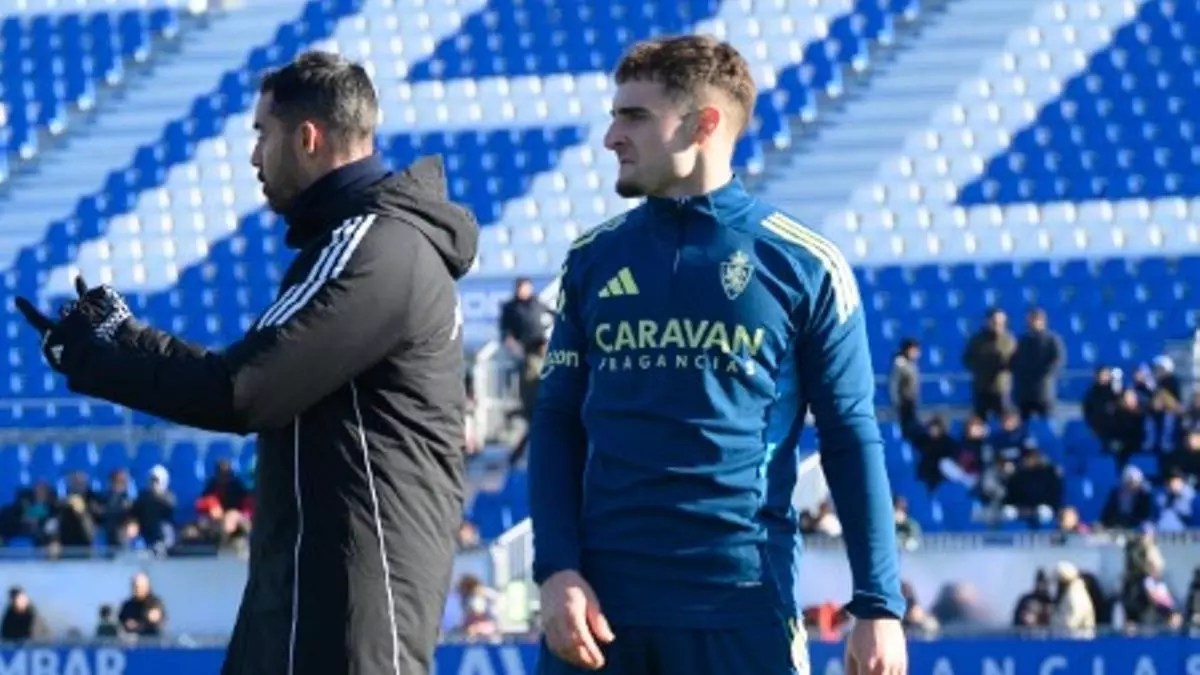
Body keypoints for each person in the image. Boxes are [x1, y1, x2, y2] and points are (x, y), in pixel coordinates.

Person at [14, 50, 478, 675]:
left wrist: (96, 362)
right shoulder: (361, 245)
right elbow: (255, 371)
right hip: (312, 589)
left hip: (351, 604)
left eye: (262, 134)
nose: (255, 156)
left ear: (308, 138)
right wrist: (129, 337)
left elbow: (240, 392)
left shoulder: (374, 248)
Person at [528, 35, 906, 675]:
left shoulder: (804, 264)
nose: (611, 137)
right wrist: (556, 568)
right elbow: (556, 422)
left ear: (703, 125)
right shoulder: (592, 259)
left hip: (741, 606)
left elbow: (850, 435)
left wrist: (878, 604)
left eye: (634, 116)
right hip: (597, 612)